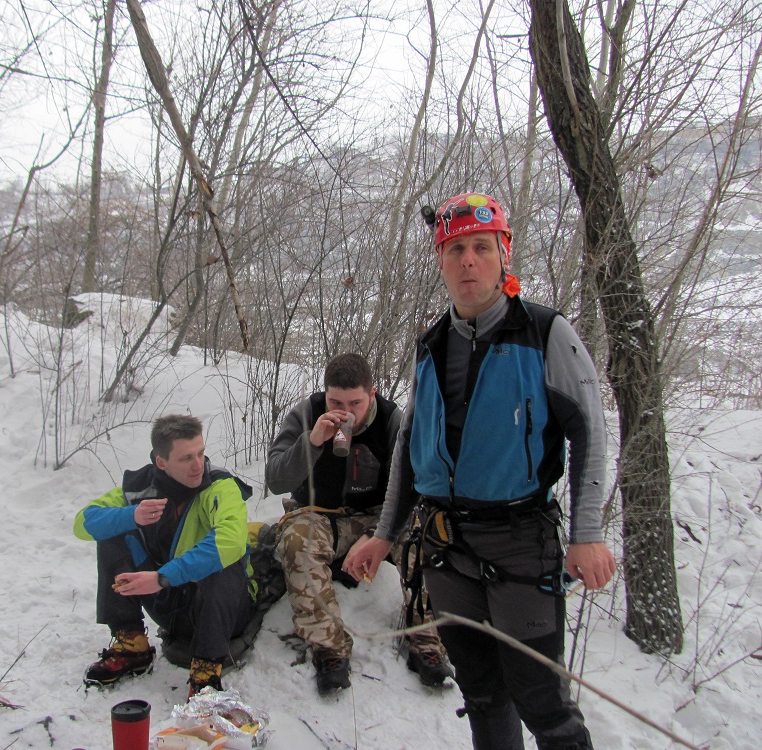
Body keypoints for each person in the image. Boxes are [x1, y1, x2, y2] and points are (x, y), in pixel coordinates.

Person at [345, 192, 616, 749]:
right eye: (456, 249)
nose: (469, 261)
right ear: (441, 260)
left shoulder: (544, 333)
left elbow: (590, 431)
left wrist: (587, 534)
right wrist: (384, 535)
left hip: (521, 542)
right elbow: (409, 449)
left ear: (503, 255)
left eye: (481, 248)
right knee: (484, 694)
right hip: (448, 548)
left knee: (540, 698)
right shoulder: (431, 344)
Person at [265, 353, 452, 696]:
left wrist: (377, 533)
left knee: (425, 534)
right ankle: (329, 648)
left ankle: (426, 640)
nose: (346, 411)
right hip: (318, 515)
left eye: (356, 403)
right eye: (336, 401)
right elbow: (275, 478)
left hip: (377, 518)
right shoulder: (307, 413)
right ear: (325, 394)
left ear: (373, 394)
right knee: (295, 542)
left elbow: (418, 490)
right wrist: (312, 441)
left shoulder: (393, 422)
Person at [73, 414, 255, 698]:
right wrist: (131, 515)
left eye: (201, 453)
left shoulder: (219, 486)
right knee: (112, 531)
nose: (198, 466)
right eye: (186, 459)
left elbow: (231, 540)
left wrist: (162, 577)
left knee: (223, 560)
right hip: (171, 603)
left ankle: (206, 672)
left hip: (224, 610)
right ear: (161, 462)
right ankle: (131, 645)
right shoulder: (140, 487)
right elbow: (83, 523)